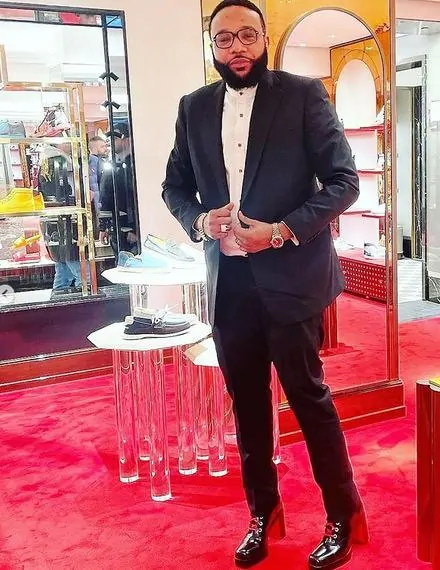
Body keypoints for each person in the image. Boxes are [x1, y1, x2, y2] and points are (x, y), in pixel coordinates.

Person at [162, 1, 368, 568]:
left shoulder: (302, 95)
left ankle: (343, 513)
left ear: (264, 38)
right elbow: (174, 187)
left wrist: (279, 232)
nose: (238, 48)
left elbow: (344, 182)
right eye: (225, 39)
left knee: (309, 400)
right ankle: (263, 512)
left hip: (291, 278)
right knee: (247, 405)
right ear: (212, 45)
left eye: (248, 36)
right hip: (229, 284)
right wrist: (199, 222)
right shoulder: (194, 107)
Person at [99, 122, 138, 256]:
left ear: (128, 139)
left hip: (132, 228)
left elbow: (135, 199)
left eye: (115, 138)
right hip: (117, 229)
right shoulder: (111, 166)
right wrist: (104, 227)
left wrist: (134, 229)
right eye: (109, 139)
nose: (111, 142)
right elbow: (105, 197)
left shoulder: (135, 165)